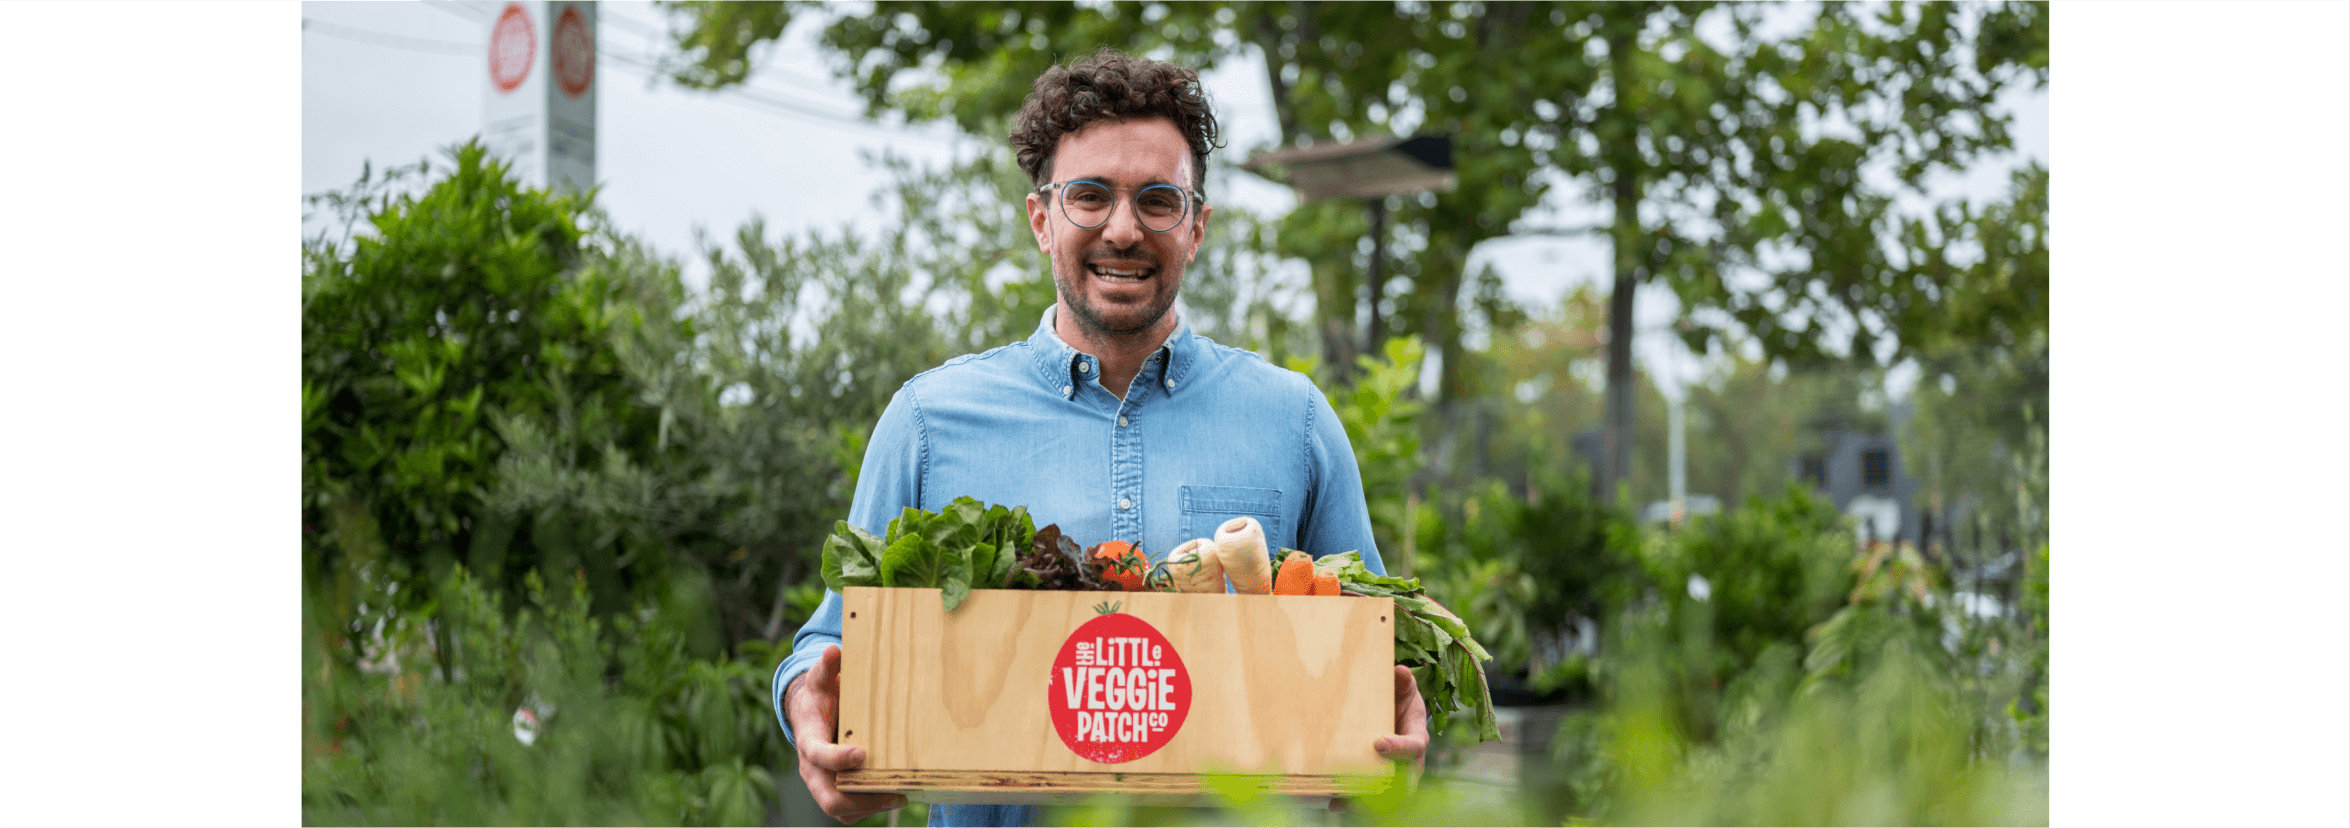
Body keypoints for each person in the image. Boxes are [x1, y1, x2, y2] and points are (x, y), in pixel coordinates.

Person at [770, 48, 1429, 828]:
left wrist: (1399, 721)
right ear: (1042, 218)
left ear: (1197, 226)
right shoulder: (928, 421)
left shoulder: (1295, 421)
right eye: (1090, 196)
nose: (1123, 229)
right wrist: (808, 702)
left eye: (1158, 200)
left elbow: (1377, 650)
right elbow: (830, 641)